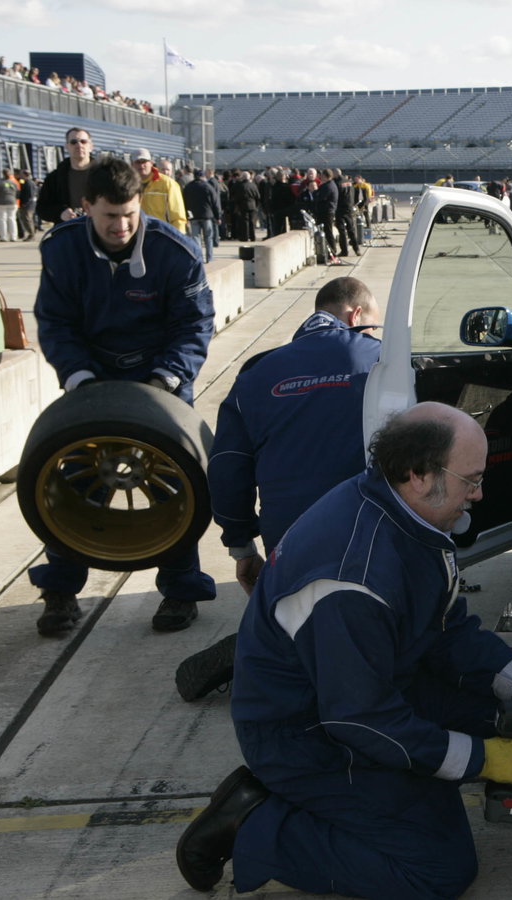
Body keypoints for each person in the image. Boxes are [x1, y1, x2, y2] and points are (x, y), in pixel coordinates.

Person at [175, 402, 512, 897]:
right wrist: (481, 759)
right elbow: (361, 719)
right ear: (419, 475)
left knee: (507, 714)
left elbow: (445, 628)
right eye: (471, 479)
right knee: (440, 869)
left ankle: (382, 795)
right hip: (306, 734)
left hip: (368, 685)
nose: (479, 494)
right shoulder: (352, 578)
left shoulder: (397, 512)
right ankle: (255, 825)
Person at [29, 157, 216, 635]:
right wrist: (78, 378)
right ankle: (60, 591)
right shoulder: (62, 250)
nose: (121, 225)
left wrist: (165, 380)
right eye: (110, 215)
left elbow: (194, 325)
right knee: (66, 481)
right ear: (86, 206)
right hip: (91, 373)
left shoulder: (177, 252)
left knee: (178, 483)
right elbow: (55, 323)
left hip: (160, 375)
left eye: (130, 214)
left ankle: (180, 590)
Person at [175, 276, 384, 702]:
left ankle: (272, 641)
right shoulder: (384, 361)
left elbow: (228, 468)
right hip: (371, 527)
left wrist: (241, 547)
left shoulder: (258, 372)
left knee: (300, 608)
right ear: (356, 315)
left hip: (287, 539)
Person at [35, 127, 95, 225]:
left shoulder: (105, 175)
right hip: (67, 232)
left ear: (91, 146)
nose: (79, 145)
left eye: (83, 141)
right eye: (73, 142)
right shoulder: (55, 178)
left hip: (100, 232)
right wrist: (60, 212)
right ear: (67, 146)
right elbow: (41, 209)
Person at [131, 148, 188, 234]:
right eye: (138, 162)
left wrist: (178, 240)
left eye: (144, 162)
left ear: (151, 163)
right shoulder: (127, 185)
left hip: (162, 235)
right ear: (132, 164)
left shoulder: (167, 184)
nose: (141, 165)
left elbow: (178, 217)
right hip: (136, 236)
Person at [184, 170, 220, 262]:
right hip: (207, 216)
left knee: (196, 238)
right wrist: (218, 216)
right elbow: (215, 203)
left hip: (193, 216)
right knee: (208, 237)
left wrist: (186, 215)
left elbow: (184, 202)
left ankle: (198, 258)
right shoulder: (208, 186)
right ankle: (209, 258)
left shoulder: (188, 187)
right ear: (203, 176)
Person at [230, 170, 261, 242]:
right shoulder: (253, 185)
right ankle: (252, 237)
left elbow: (237, 196)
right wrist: (256, 205)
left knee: (244, 222)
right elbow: (258, 196)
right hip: (252, 205)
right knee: (252, 222)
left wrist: (237, 204)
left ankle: (245, 237)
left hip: (243, 205)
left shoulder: (240, 186)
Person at [0, 168, 17, 241]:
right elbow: (17, 192)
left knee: (2, 220)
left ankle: (3, 237)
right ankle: (13, 237)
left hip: (1, 203)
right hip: (12, 202)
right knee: (12, 219)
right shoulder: (14, 182)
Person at [16, 168, 37, 240]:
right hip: (27, 204)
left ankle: (31, 234)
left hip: (28, 205)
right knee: (26, 220)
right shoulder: (25, 182)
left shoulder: (29, 183)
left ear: (25, 174)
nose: (20, 175)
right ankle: (31, 234)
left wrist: (25, 203)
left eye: (21, 174)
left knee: (27, 220)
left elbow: (30, 195)